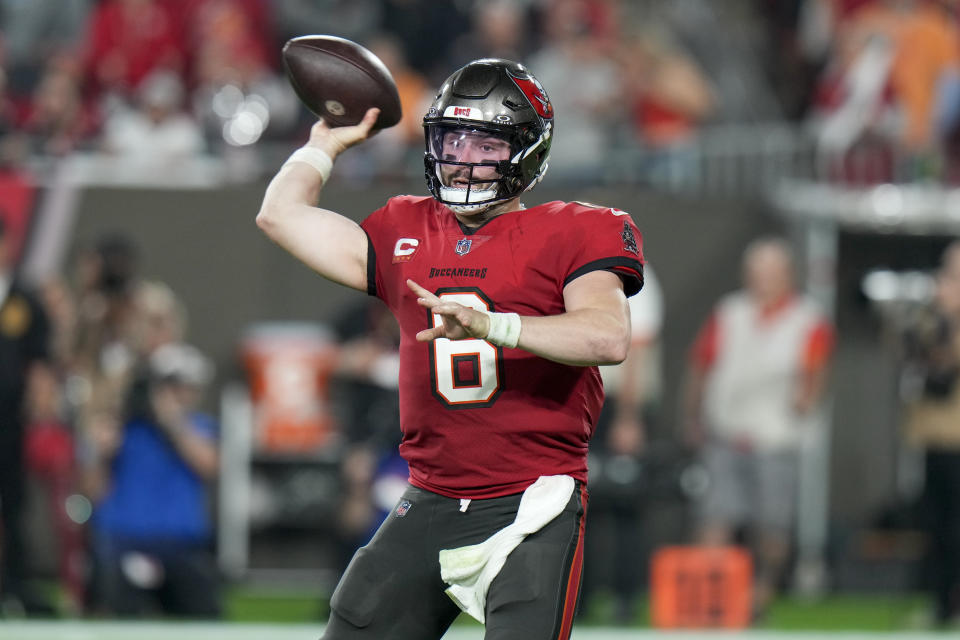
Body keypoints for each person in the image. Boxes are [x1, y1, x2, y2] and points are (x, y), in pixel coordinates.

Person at [257, 58, 644, 639]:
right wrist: (323, 145)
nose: (463, 156)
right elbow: (280, 215)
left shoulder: (574, 230)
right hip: (431, 497)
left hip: (531, 503)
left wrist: (496, 326)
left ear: (525, 153)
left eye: (484, 142)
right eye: (452, 137)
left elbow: (607, 336)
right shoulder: (404, 228)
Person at [681, 237, 833, 619]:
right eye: (756, 272)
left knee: (772, 526)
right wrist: (692, 416)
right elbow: (701, 366)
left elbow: (815, 374)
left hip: (775, 437)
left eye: (770, 272)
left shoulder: (808, 318)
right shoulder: (729, 311)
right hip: (726, 431)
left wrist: (805, 402)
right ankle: (709, 604)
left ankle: (759, 596)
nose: (762, 280)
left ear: (788, 275)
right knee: (715, 518)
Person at [83, 342, 221, 618]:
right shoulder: (124, 430)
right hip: (123, 545)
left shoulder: (199, 427)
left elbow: (209, 465)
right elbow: (91, 491)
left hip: (182, 550)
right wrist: (98, 454)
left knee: (206, 617)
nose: (183, 393)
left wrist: (172, 421)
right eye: (175, 385)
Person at [899, 240, 960, 627]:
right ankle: (940, 602)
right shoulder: (930, 316)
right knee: (937, 527)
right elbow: (923, 360)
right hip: (937, 437)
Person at [0, 216, 52, 616]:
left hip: (8, 420)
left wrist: (38, 404)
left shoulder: (25, 299)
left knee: (13, 501)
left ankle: (16, 582)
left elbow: (39, 362)